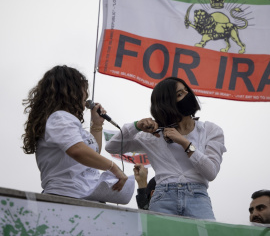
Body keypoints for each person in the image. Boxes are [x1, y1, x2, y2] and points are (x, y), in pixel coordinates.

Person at [106, 77, 226, 220]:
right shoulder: (153, 135)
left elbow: (211, 172)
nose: (187, 96)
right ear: (167, 104)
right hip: (163, 198)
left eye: (186, 91)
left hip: (198, 198)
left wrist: (185, 144)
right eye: (180, 95)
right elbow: (112, 147)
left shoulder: (210, 130)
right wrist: (136, 126)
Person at [22, 65, 127, 199]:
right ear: (71, 90)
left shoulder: (63, 120)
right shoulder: (60, 118)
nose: (86, 94)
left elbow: (91, 154)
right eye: (83, 89)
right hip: (67, 197)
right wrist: (113, 167)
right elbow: (78, 150)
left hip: (82, 196)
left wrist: (96, 124)